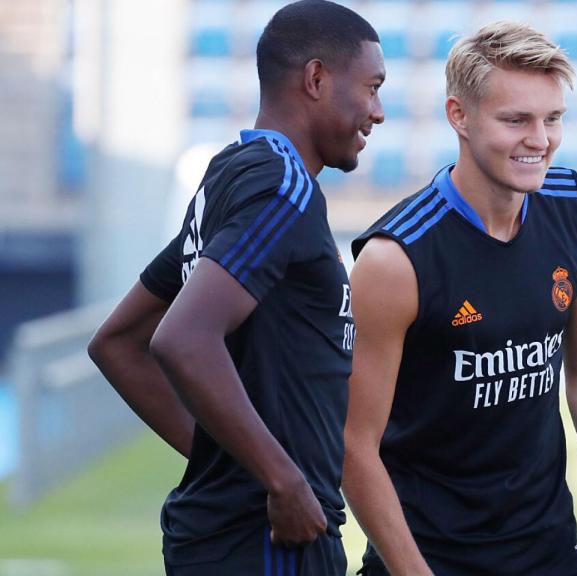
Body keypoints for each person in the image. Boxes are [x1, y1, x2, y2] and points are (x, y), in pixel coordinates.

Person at [86, 1, 385, 573]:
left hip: (240, 533)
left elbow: (117, 341)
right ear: (316, 79)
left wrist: (226, 462)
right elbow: (181, 338)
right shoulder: (281, 190)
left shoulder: (235, 174)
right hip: (266, 542)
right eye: (371, 88)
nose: (378, 111)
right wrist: (280, 480)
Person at [342, 22, 577, 576]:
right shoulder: (394, 260)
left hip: (550, 556)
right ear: (459, 116)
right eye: (516, 120)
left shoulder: (574, 211)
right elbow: (353, 444)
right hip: (428, 561)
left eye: (553, 118)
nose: (540, 140)